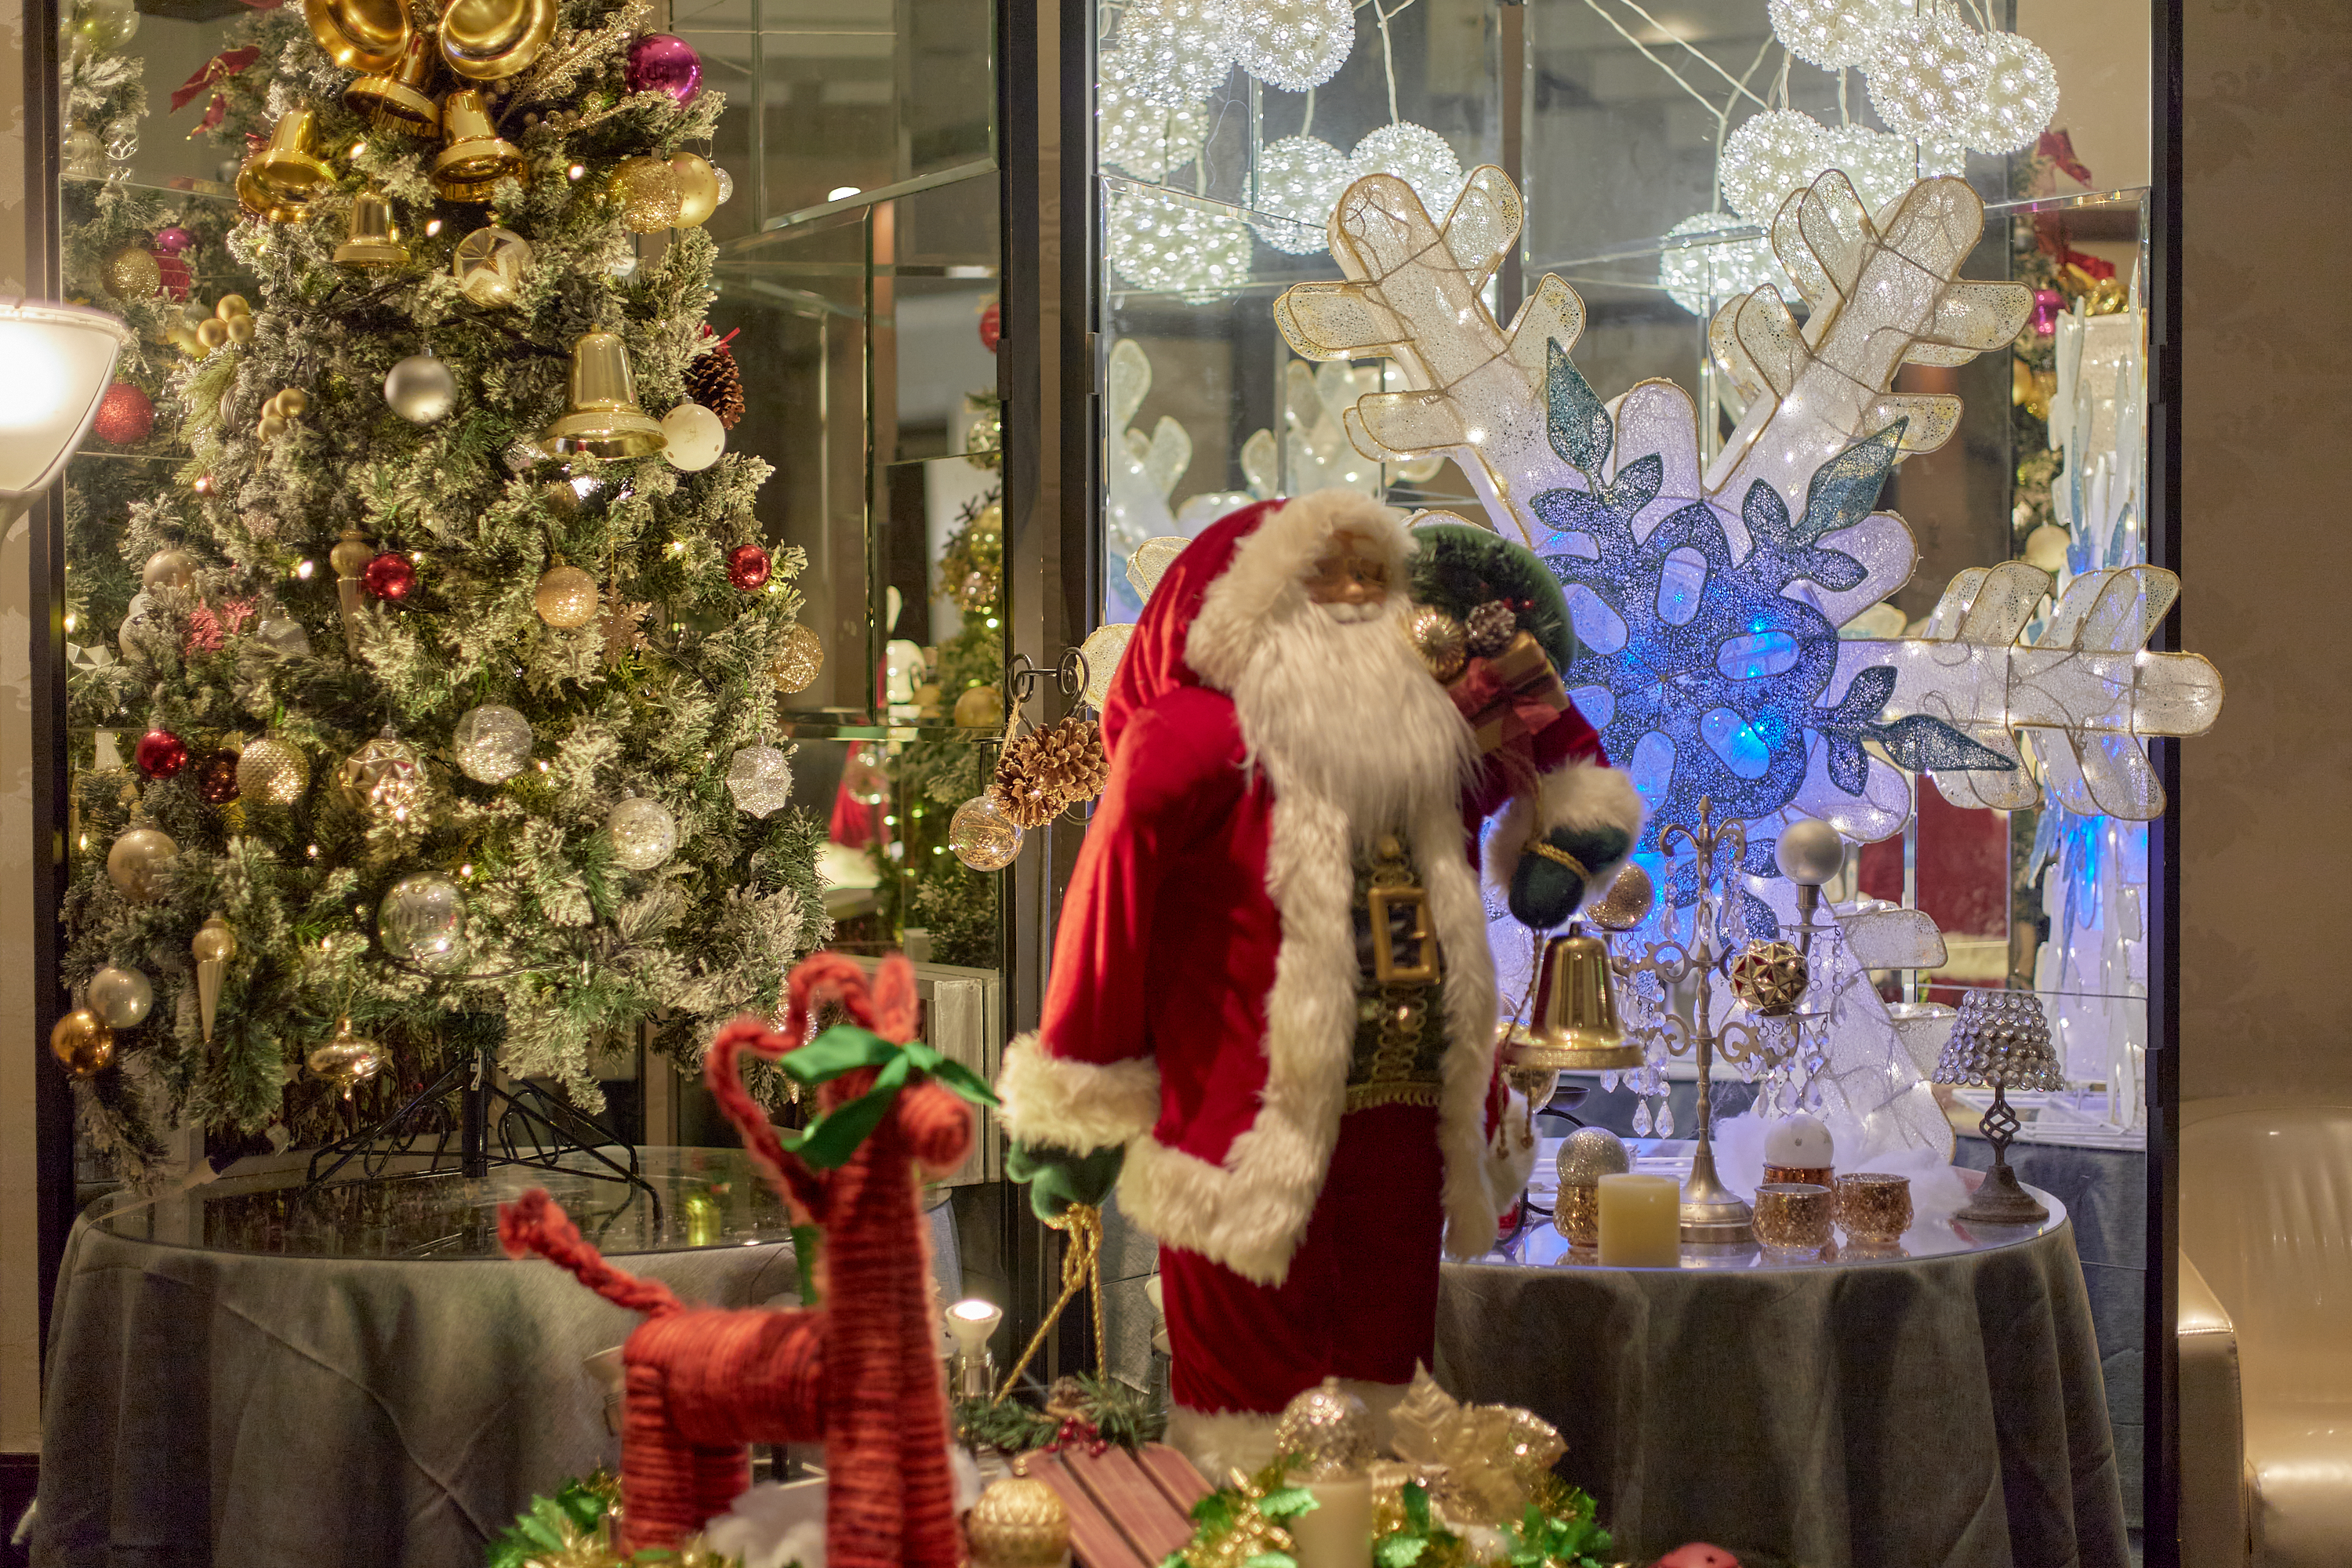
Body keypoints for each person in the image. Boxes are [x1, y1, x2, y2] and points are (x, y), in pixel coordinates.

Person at [996, 489, 1641, 1469]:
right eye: (1321, 577)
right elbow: (1108, 909)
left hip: (1405, 1132)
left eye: (1373, 578)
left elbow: (1559, 740)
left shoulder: (1432, 737)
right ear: (1244, 605)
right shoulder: (1194, 738)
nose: (1351, 599)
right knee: (1255, 1425)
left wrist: (1568, 844)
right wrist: (1077, 1099)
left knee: (1392, 1398)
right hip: (1249, 1136)